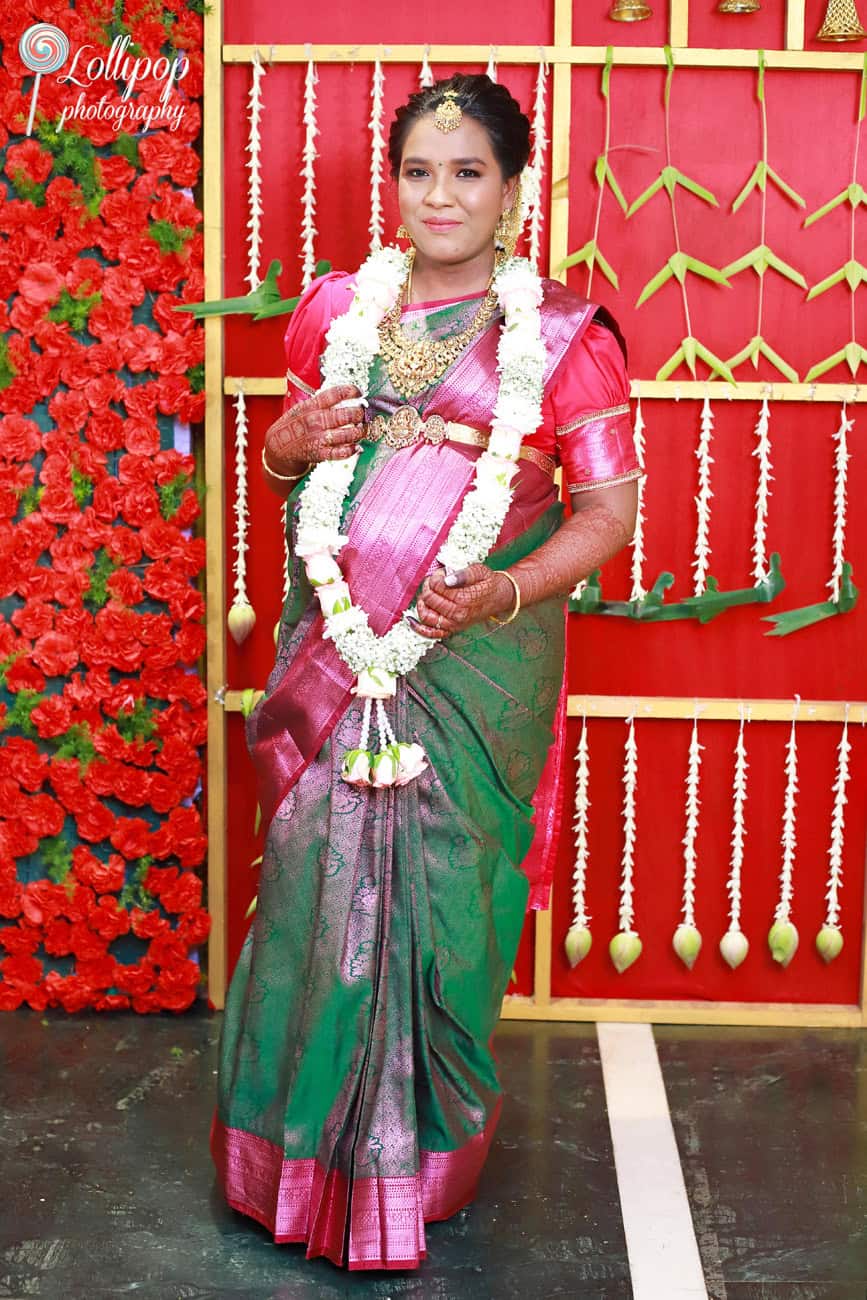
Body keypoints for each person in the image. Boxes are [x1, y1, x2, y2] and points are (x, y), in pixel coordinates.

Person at [210, 73, 641, 1271]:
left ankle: (420, 1162)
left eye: (467, 173)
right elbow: (299, 463)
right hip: (332, 651)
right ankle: (287, 1158)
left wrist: (500, 589)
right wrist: (279, 444)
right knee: (310, 880)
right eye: (417, 170)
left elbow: (606, 514)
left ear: (513, 187)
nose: (439, 194)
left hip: (474, 668)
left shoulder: (564, 337)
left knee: (444, 905)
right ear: (393, 181)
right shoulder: (336, 309)